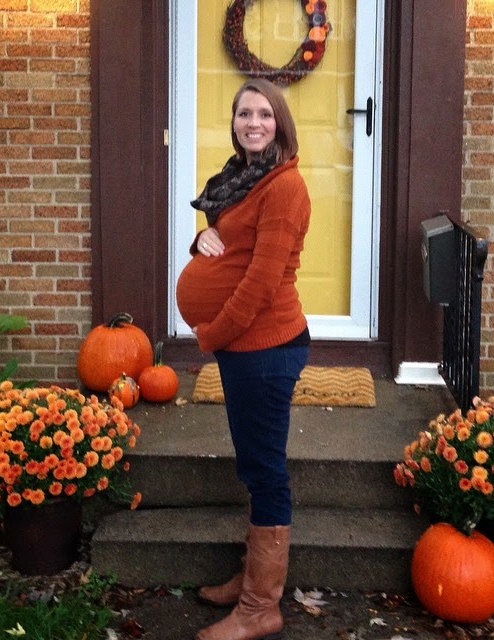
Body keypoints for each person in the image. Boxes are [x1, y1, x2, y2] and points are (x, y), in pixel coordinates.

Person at [175, 78, 311, 640]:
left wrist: (210, 334)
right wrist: (201, 240)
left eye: (264, 114)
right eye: (243, 114)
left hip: (266, 347)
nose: (253, 123)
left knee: (265, 470)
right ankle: (252, 577)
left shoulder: (284, 187)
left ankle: (260, 607)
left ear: (280, 123)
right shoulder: (242, 177)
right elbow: (229, 242)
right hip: (245, 348)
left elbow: (261, 282)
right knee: (254, 464)